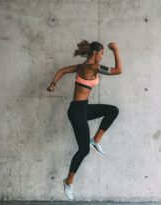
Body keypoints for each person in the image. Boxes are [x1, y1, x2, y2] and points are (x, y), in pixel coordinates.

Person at [46, 40, 123, 200]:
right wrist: (115, 50)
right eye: (102, 53)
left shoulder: (82, 67)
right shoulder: (92, 67)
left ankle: (95, 140)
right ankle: (68, 182)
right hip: (77, 111)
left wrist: (53, 83)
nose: (102, 57)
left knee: (112, 110)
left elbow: (62, 70)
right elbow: (118, 70)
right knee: (83, 150)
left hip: (82, 108)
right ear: (95, 53)